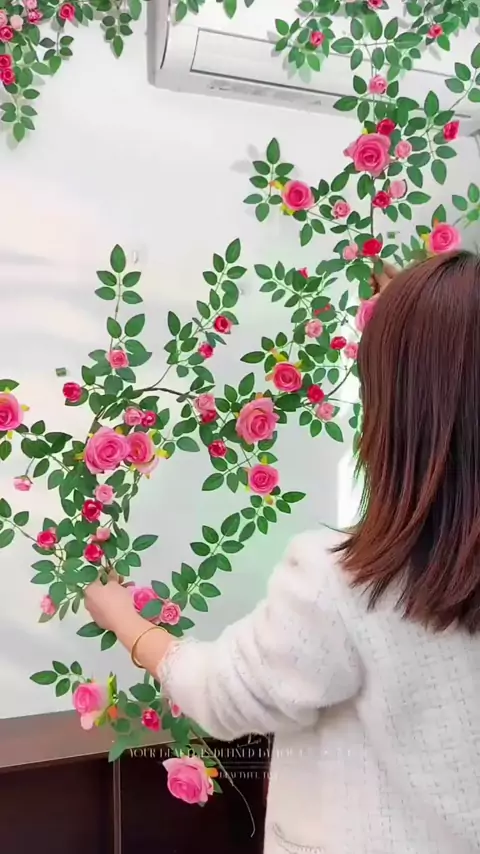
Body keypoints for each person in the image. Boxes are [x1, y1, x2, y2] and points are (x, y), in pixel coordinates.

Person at [85, 251, 480, 854]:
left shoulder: (344, 582)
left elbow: (223, 694)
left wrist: (128, 625)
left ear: (398, 408)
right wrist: (437, 319)